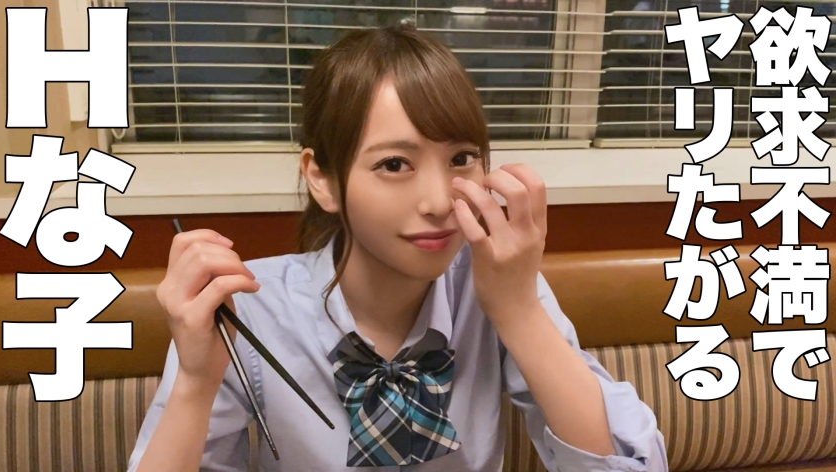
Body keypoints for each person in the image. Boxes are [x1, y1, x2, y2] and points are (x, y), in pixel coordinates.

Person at [127, 23, 668, 472]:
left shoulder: (497, 282)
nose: (438, 202)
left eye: (461, 159)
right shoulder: (247, 308)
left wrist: (519, 310)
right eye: (393, 164)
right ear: (322, 179)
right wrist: (196, 382)